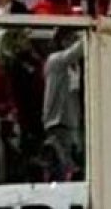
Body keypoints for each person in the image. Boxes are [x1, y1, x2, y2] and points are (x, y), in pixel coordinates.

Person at [42, 29, 83, 181]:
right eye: (70, 39)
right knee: (61, 162)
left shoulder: (74, 67)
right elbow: (76, 51)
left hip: (71, 119)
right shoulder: (55, 60)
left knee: (70, 161)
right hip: (57, 120)